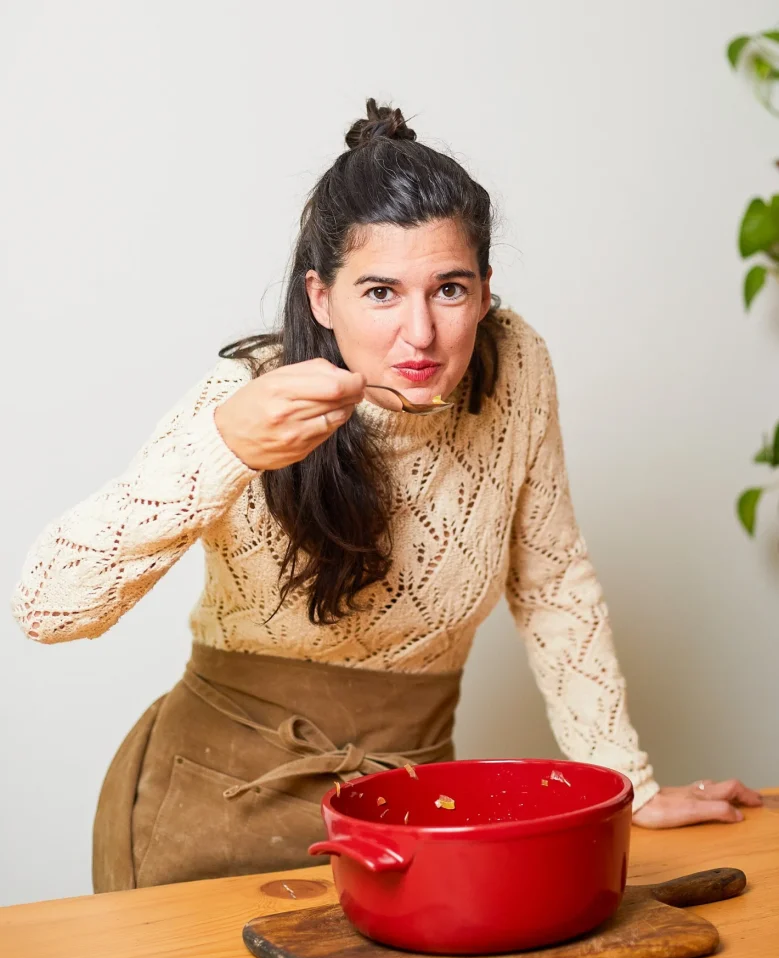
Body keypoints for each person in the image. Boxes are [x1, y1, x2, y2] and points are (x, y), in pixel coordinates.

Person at [11, 99, 762, 892]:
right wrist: (223, 449)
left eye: (447, 289)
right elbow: (50, 608)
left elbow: (552, 587)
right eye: (378, 292)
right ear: (320, 298)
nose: (418, 334)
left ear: (483, 292)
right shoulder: (242, 400)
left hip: (410, 815)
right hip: (211, 807)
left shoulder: (515, 369)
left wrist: (625, 782)